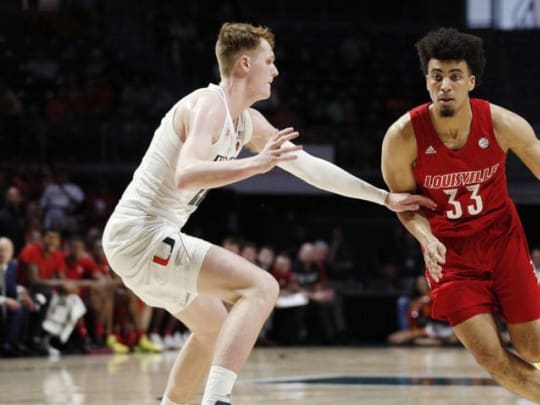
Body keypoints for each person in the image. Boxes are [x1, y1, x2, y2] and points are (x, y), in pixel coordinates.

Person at [101, 22, 434, 405]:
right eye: (270, 61)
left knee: (215, 331)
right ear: (245, 64)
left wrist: (382, 198)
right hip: (140, 234)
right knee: (262, 287)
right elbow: (187, 173)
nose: (275, 71)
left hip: (147, 241)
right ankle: (218, 401)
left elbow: (308, 167)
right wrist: (256, 164)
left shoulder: (248, 122)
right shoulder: (207, 105)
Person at [380, 28, 540, 405]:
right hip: (448, 254)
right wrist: (425, 236)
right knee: (489, 356)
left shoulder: (501, 124)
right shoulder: (402, 137)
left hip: (502, 240)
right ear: (427, 81)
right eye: (437, 76)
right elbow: (407, 206)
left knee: (530, 347)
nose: (445, 85)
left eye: (455, 76)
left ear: (471, 81)